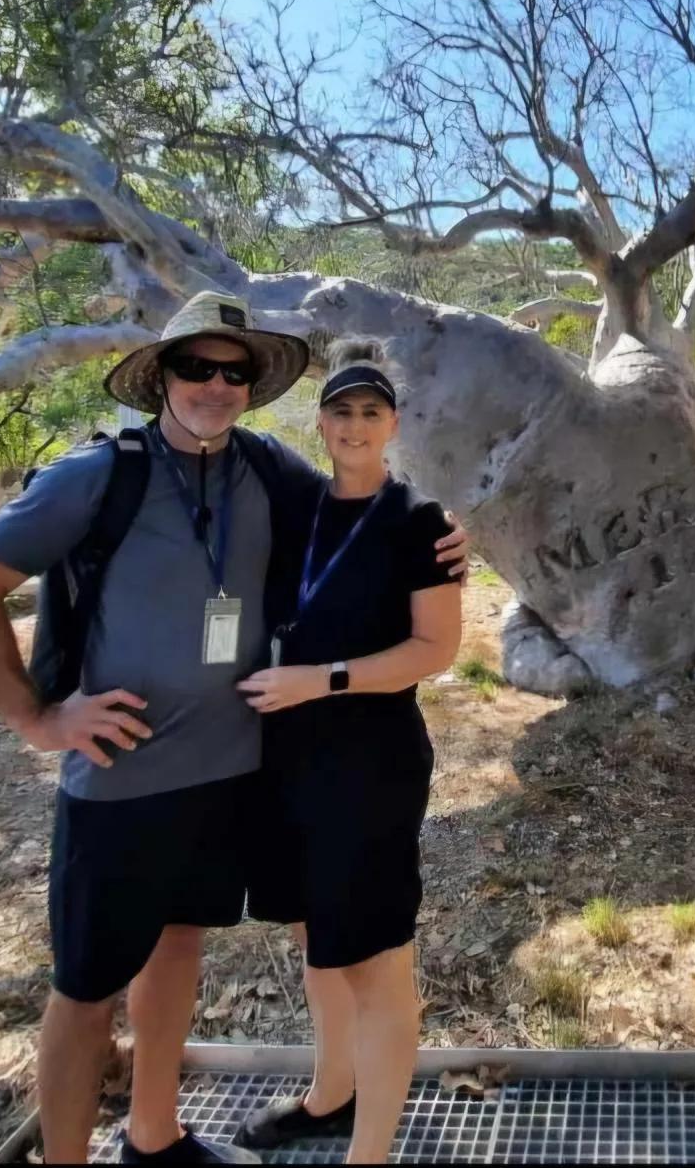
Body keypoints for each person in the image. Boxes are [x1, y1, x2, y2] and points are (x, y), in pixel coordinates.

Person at [0, 296, 467, 1165]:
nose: (216, 385)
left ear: (253, 388)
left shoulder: (265, 468)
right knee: (85, 990)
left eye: (234, 372)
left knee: (176, 951)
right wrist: (35, 717)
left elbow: (363, 507)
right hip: (118, 779)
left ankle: (154, 1136)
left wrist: (440, 535)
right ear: (162, 376)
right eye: (197, 368)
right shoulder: (99, 475)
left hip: (230, 777)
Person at [235, 348, 464, 1164]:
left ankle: (369, 1154)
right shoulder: (295, 508)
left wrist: (321, 681)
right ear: (322, 424)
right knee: (314, 939)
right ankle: (331, 1094)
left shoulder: (420, 522)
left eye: (373, 412)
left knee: (376, 961)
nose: (356, 426)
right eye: (342, 412)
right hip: (286, 762)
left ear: (394, 425)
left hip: (370, 767)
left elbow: (435, 649)